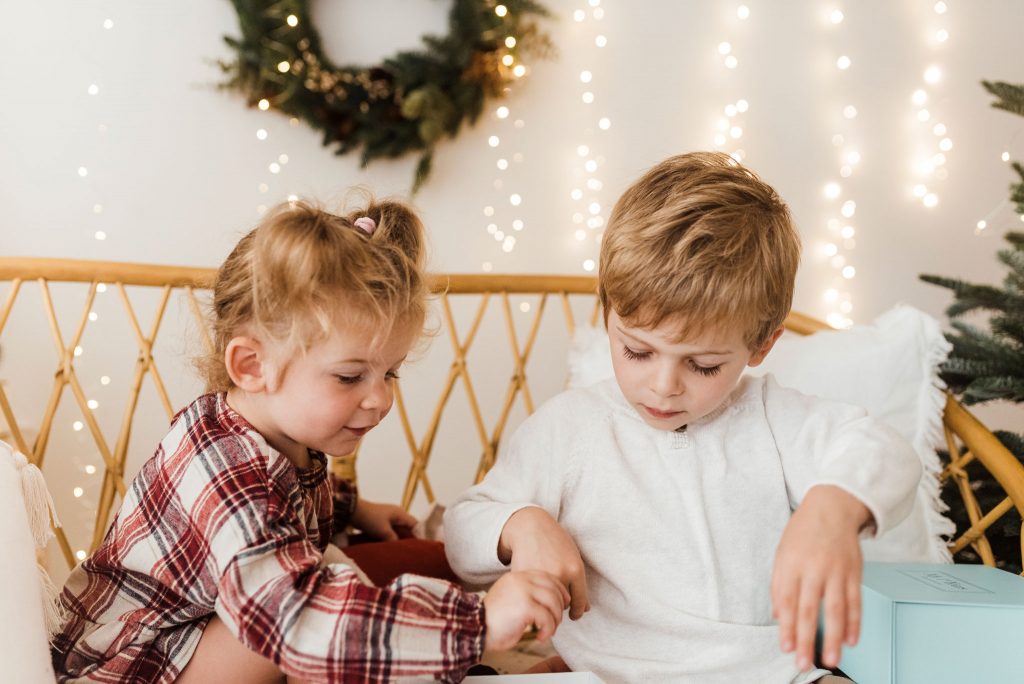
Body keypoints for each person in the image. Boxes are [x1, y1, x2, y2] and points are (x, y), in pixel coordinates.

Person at [444, 152, 922, 683]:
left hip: (771, 676)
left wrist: (833, 510)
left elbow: (886, 451)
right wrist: (520, 524)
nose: (664, 385)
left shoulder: (773, 419)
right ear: (607, 313)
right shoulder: (569, 428)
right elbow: (462, 534)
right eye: (637, 352)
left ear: (762, 345)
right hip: (606, 677)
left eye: (703, 364)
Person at [51, 197, 569, 683]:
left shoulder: (274, 430)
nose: (380, 400)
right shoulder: (222, 464)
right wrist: (478, 626)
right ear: (252, 366)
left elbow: (281, 504)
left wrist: (352, 507)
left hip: (213, 626)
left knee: (404, 562)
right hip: (136, 664)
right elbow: (286, 608)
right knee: (300, 613)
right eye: (349, 377)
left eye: (391, 373)